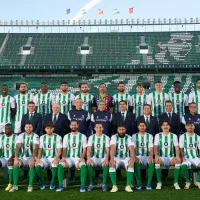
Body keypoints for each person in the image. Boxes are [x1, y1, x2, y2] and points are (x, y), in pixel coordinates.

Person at [56, 120, 87, 192]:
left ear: (78, 126)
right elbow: (64, 149)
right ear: (70, 126)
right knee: (60, 165)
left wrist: (82, 158)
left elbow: (84, 149)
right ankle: (61, 185)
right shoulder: (66, 136)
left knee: (83, 166)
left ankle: (82, 186)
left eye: (75, 125)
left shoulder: (82, 136)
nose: (73, 126)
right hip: (68, 159)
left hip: (78, 159)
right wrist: (63, 157)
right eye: (72, 125)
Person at [10, 122, 39, 192]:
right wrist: (16, 158)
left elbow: (36, 148)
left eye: (30, 127)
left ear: (32, 128)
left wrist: (32, 158)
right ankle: (15, 185)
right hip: (23, 157)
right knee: (15, 163)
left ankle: (30, 186)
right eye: (27, 127)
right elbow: (17, 147)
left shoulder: (35, 136)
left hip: (32, 157)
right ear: (24, 128)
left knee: (32, 164)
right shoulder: (20, 135)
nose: (28, 128)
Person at [154, 120, 181, 190]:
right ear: (161, 127)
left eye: (167, 125)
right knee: (156, 161)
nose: (165, 126)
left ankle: (175, 182)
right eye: (164, 125)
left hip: (171, 158)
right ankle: (159, 182)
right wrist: (156, 156)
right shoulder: (158, 135)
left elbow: (177, 148)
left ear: (169, 127)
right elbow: (155, 147)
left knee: (177, 161)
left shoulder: (174, 135)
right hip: (161, 158)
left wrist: (177, 156)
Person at [35, 122, 62, 190]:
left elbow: (59, 150)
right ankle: (43, 182)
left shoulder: (58, 137)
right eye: (47, 128)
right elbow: (40, 149)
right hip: (45, 158)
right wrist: (38, 158)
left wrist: (56, 158)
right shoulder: (42, 137)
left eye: (50, 128)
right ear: (45, 129)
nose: (49, 130)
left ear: (53, 129)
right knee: (37, 165)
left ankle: (52, 181)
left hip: (54, 157)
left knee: (55, 165)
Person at [109, 125, 135, 192]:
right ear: (117, 130)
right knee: (111, 164)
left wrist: (131, 158)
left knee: (131, 164)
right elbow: (112, 148)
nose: (121, 131)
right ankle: (114, 186)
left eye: (122, 129)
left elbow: (131, 149)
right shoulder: (114, 137)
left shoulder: (129, 137)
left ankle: (128, 186)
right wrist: (111, 158)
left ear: (125, 130)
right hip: (116, 157)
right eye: (119, 129)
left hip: (126, 158)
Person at [86, 122, 110, 191]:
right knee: (89, 163)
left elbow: (108, 150)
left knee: (105, 164)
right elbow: (89, 149)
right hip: (94, 157)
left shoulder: (106, 137)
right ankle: (90, 184)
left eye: (100, 127)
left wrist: (106, 159)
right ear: (94, 128)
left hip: (103, 157)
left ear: (102, 128)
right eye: (97, 127)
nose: (99, 129)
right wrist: (88, 158)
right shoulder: (91, 137)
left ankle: (104, 184)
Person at [133, 122, 154, 190]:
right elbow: (133, 148)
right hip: (138, 156)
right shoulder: (134, 136)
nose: (142, 127)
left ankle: (148, 183)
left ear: (146, 127)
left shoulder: (149, 136)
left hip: (147, 156)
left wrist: (151, 156)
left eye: (143, 126)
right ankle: (139, 183)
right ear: (138, 127)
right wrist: (135, 157)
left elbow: (151, 148)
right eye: (140, 126)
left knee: (151, 162)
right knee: (135, 162)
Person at [179, 120, 200, 189]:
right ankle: (188, 182)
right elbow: (181, 148)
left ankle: (198, 181)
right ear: (185, 127)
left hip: (195, 157)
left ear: (194, 127)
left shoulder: (198, 137)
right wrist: (182, 157)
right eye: (188, 125)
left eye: (191, 125)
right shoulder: (182, 136)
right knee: (184, 165)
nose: (190, 127)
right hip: (186, 157)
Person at [0, 124, 16, 191]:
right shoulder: (2, 137)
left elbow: (17, 150)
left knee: (10, 162)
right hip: (4, 157)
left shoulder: (15, 137)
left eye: (9, 128)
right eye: (6, 129)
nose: (7, 130)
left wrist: (12, 157)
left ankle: (10, 183)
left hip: (14, 157)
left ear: (11, 129)